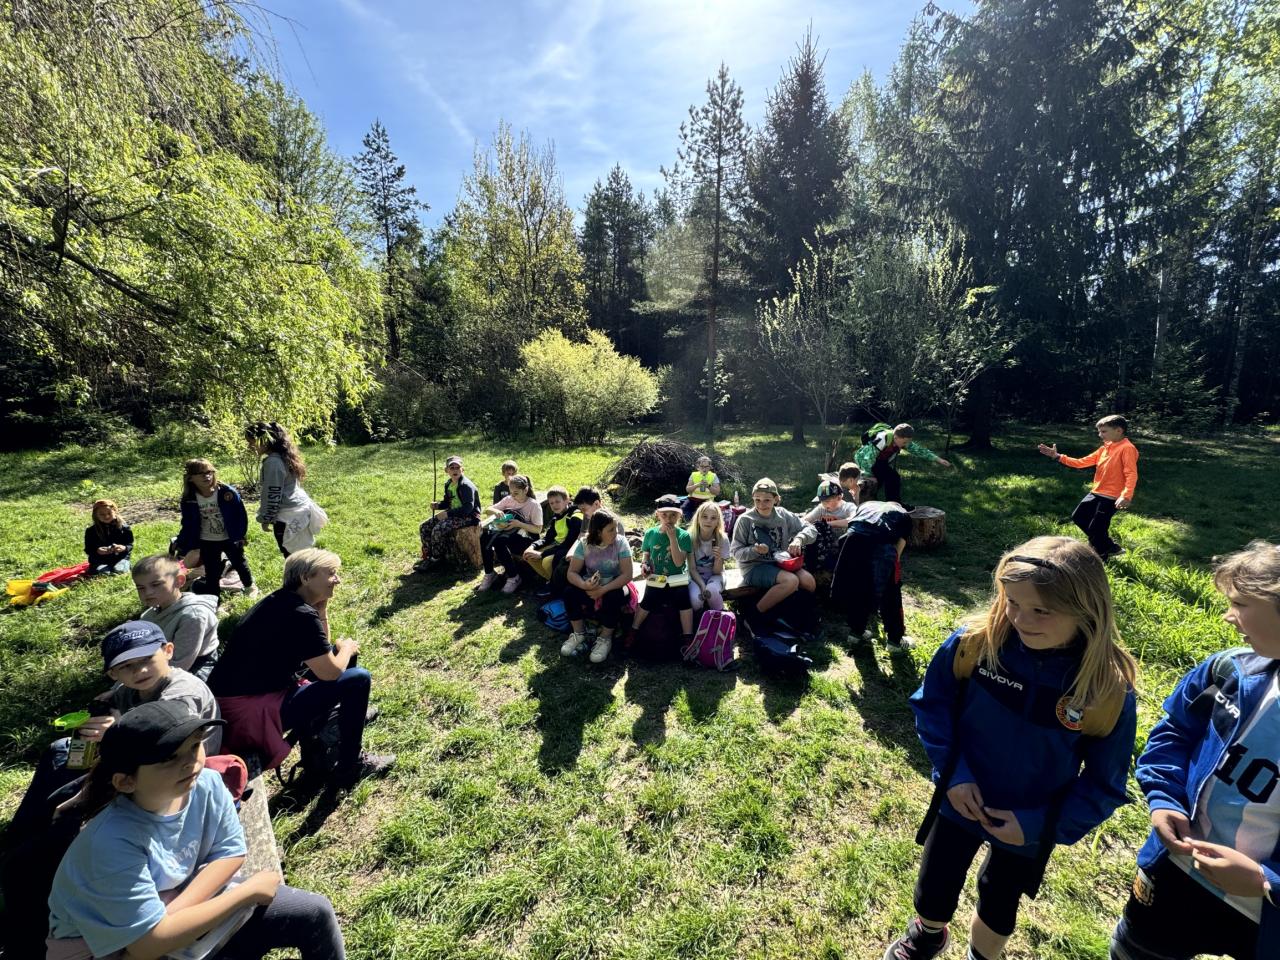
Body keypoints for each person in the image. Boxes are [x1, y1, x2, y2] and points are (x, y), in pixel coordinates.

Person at [884, 536, 1138, 960]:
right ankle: (927, 935)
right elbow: (933, 706)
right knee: (935, 882)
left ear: (1087, 609)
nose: (1020, 618)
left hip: (1028, 819)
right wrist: (955, 776)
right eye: (1012, 602)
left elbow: (1103, 785)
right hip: (960, 799)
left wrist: (1037, 825)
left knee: (1000, 899)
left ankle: (982, 956)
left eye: (1041, 610)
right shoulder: (976, 644)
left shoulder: (1105, 689)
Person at [44, 700, 345, 960]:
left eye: (194, 745)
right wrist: (246, 893)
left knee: (314, 911)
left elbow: (230, 851)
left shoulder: (207, 783)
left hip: (168, 919)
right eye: (169, 757)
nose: (191, 762)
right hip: (108, 950)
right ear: (125, 782)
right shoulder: (108, 843)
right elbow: (146, 946)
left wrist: (174, 914)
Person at [1109, 540, 1280, 960]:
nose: (1228, 615)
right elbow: (1174, 733)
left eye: (1239, 603)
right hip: (1177, 871)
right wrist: (1164, 799)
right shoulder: (1228, 671)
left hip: (1264, 915)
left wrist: (1267, 882)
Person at [9, 620, 221, 838]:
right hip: (142, 760)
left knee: (71, 797)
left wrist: (115, 731)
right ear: (113, 674)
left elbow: (168, 740)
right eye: (126, 666)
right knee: (61, 750)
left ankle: (47, 837)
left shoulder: (183, 693)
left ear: (168, 651)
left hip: (175, 767)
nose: (140, 670)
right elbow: (117, 706)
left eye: (147, 659)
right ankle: (22, 831)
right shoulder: (129, 689)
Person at [208, 548, 394, 788]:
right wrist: (347, 648)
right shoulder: (300, 614)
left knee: (340, 659)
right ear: (306, 577)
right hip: (247, 710)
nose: (337, 579)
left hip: (245, 697)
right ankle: (349, 766)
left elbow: (320, 652)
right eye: (331, 573)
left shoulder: (282, 601)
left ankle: (327, 739)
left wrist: (322, 612)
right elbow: (330, 672)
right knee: (358, 678)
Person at [1038, 414, 1139, 560]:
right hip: (1096, 492)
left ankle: (1100, 556)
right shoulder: (1104, 448)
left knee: (1097, 528)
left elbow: (1131, 474)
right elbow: (1081, 462)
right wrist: (1057, 456)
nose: (1100, 435)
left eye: (1104, 431)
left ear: (1118, 430)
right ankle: (1108, 546)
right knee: (1078, 517)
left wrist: (1126, 495)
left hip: (1112, 497)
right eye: (1099, 431)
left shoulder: (1127, 448)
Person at [729, 478, 817, 624]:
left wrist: (799, 539)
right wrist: (755, 550)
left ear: (776, 499)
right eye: (757, 500)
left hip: (781, 563)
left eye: (767, 500)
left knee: (809, 582)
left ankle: (793, 615)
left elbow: (811, 529)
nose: (761, 505)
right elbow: (735, 552)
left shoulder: (782, 515)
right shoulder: (745, 520)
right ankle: (753, 617)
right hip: (754, 566)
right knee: (791, 581)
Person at [832, 499, 914, 649]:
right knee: (890, 592)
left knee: (858, 586)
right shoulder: (904, 515)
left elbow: (854, 525)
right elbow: (899, 546)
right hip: (880, 543)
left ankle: (856, 633)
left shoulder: (867, 505)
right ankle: (895, 641)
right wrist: (892, 570)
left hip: (851, 541)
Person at [174, 458, 256, 601]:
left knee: (239, 563)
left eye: (209, 472)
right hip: (207, 540)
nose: (206, 476)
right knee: (212, 571)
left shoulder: (227, 493)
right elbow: (187, 522)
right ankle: (214, 599)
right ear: (190, 478)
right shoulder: (189, 499)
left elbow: (240, 515)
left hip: (230, 538)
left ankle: (250, 586)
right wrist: (182, 541)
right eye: (200, 473)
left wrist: (240, 535)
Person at [560, 509, 635, 664]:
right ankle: (579, 633)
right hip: (591, 586)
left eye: (615, 528)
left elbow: (627, 575)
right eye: (611, 530)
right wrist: (584, 585)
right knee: (569, 592)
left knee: (614, 596)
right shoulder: (584, 544)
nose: (616, 532)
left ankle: (605, 638)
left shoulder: (621, 543)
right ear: (598, 532)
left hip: (615, 585)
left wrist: (603, 590)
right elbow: (572, 573)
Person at [245, 420, 327, 557]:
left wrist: (266, 518)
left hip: (287, 516)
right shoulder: (285, 456)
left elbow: (272, 493)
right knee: (303, 553)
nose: (249, 447)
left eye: (251, 442)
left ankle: (310, 571)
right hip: (300, 510)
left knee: (293, 557)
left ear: (265, 440)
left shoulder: (273, 462)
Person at [133, 554, 220, 679]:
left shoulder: (193, 616)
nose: (148, 592)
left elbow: (180, 664)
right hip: (160, 659)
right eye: (140, 588)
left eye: (156, 584)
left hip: (195, 665)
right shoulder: (150, 613)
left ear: (179, 581)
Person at [630, 495, 695, 649]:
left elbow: (679, 562)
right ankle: (633, 630)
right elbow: (646, 555)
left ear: (679, 516)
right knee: (649, 598)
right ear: (657, 514)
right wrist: (645, 565)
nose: (668, 519)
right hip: (657, 576)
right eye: (664, 515)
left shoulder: (683, 536)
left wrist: (672, 539)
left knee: (683, 599)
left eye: (673, 515)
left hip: (677, 576)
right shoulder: (650, 533)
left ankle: (688, 636)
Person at [855, 423, 952, 507]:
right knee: (887, 478)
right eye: (904, 442)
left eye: (908, 442)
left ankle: (893, 505)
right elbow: (868, 457)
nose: (906, 445)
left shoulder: (901, 439)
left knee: (892, 477)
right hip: (865, 460)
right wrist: (868, 474)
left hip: (880, 461)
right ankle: (875, 505)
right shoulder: (882, 438)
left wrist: (937, 459)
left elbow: (919, 450)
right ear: (896, 437)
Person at [476, 475, 543, 594]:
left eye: (516, 493)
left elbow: (538, 530)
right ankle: (489, 573)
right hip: (507, 532)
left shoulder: (533, 505)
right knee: (484, 537)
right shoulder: (509, 499)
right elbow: (488, 509)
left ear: (525, 490)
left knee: (499, 541)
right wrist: (496, 511)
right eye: (511, 492)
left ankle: (513, 577)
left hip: (526, 538)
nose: (513, 496)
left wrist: (519, 524)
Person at [416, 454, 481, 572]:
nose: (455, 470)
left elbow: (468, 508)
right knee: (424, 527)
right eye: (452, 468)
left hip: (468, 517)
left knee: (438, 529)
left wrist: (448, 514)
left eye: (457, 467)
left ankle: (436, 559)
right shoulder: (449, 484)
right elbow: (448, 502)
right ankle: (428, 555)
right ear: (446, 470)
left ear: (462, 469)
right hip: (454, 513)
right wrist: (438, 505)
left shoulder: (466, 486)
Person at [522, 486, 581, 594]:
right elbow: (547, 538)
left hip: (567, 549)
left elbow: (568, 543)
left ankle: (556, 584)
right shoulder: (556, 517)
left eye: (557, 502)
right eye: (551, 503)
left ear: (567, 500)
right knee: (529, 555)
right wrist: (532, 546)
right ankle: (551, 580)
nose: (554, 505)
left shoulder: (574, 516)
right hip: (557, 546)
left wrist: (542, 554)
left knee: (547, 561)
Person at [802, 478, 857, 575]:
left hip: (843, 547)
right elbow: (804, 520)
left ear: (839, 497)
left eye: (827, 501)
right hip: (826, 548)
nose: (824, 504)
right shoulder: (821, 508)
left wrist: (828, 524)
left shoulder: (848, 507)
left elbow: (854, 520)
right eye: (822, 501)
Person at [688, 499, 731, 613]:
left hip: (715, 576)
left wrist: (718, 558)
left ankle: (720, 616)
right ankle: (700, 619)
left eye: (713, 518)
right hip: (695, 577)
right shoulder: (690, 538)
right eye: (705, 517)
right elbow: (692, 569)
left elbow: (717, 571)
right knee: (696, 600)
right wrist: (702, 585)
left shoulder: (722, 539)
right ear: (698, 519)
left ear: (718, 521)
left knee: (711, 591)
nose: (708, 521)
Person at [84, 499, 133, 575]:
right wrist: (97, 551)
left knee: (119, 571)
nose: (106, 516)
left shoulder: (124, 528)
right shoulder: (91, 531)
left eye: (109, 513)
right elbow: (88, 549)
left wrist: (124, 548)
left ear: (115, 512)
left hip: (120, 558)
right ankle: (98, 568)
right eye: (102, 514)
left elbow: (129, 544)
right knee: (104, 573)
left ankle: (126, 564)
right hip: (99, 561)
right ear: (96, 515)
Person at [683, 454, 721, 522]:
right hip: (692, 499)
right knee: (684, 508)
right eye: (702, 466)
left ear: (710, 467)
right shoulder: (694, 475)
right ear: (698, 467)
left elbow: (717, 492)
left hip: (707, 500)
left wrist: (708, 486)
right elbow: (688, 490)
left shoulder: (713, 476)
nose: (704, 469)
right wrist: (697, 485)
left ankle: (697, 524)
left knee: (702, 513)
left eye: (706, 467)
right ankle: (688, 523)